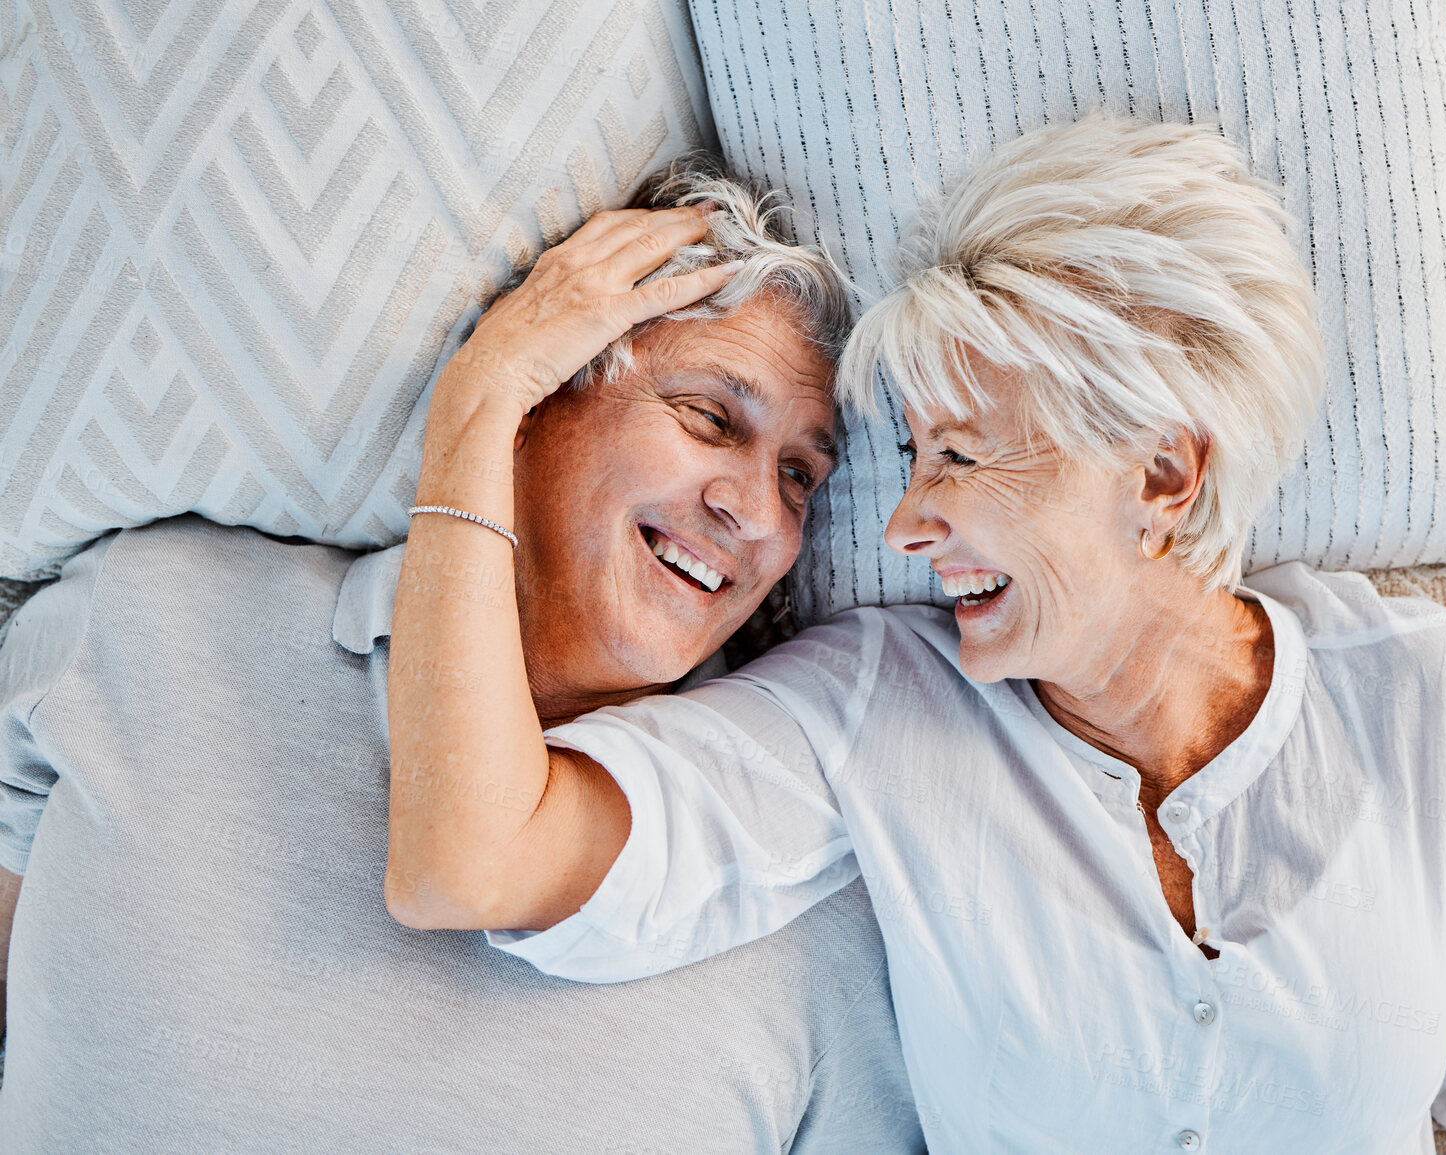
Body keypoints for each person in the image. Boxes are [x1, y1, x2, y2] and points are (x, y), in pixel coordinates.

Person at [385, 114, 1446, 1154]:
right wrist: (484, 401)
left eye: (964, 458)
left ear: (1165, 476)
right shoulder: (876, 705)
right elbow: (471, 861)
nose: (910, 522)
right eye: (913, 460)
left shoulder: (1436, 698)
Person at [0, 163, 925, 1152]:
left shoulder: (814, 905)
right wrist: (478, 394)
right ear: (542, 398)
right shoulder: (143, 625)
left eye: (798, 476)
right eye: (709, 418)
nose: (754, 512)